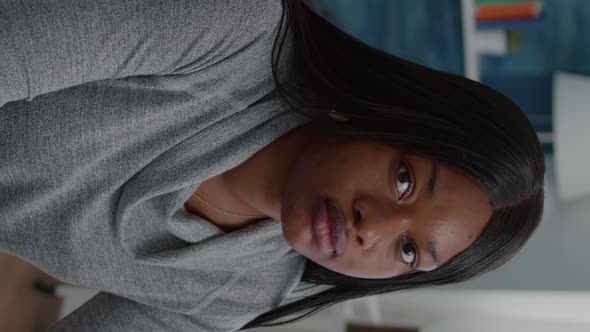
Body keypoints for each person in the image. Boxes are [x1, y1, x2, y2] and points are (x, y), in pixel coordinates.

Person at [0, 0, 545, 331]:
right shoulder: (236, 31)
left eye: (407, 252)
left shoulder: (242, 290)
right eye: (403, 181)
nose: (370, 227)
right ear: (387, 117)